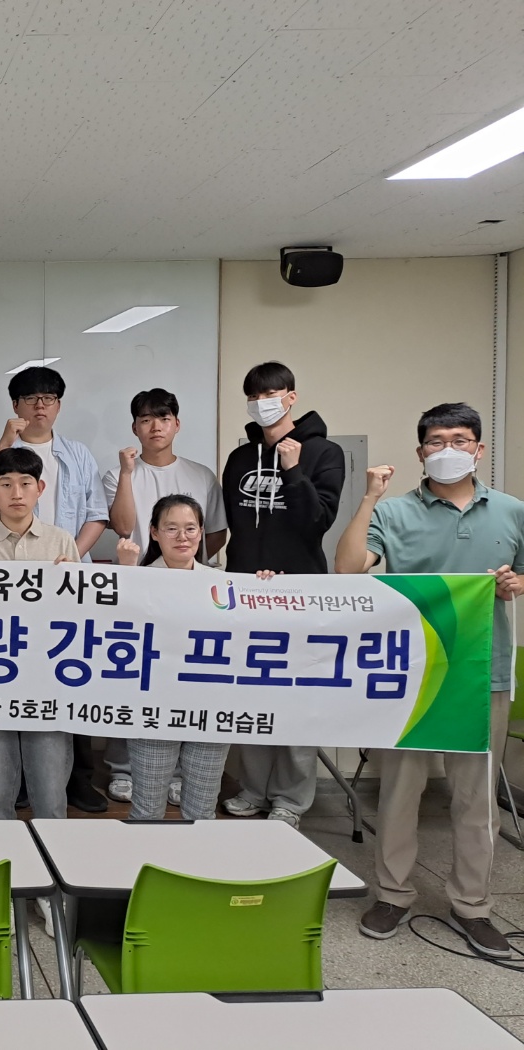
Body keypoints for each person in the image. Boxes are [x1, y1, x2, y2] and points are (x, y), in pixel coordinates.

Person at [335, 403, 524, 958]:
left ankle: (473, 906)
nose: (448, 450)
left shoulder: (511, 511)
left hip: (482, 674)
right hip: (411, 675)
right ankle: (393, 894)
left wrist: (516, 584)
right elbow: (347, 569)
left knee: (476, 799)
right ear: (421, 452)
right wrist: (368, 498)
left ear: (479, 449)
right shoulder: (394, 513)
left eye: (460, 440)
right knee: (399, 792)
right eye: (437, 441)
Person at [0, 365, 110, 813]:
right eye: (30, 398)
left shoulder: (77, 454)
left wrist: (67, 560)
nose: (39, 406)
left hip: (60, 577)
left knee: (58, 726)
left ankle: (70, 790)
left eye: (48, 398)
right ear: (15, 405)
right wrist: (5, 442)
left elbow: (96, 513)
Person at [0, 446, 77, 939]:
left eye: (26, 484)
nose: (16, 493)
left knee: (50, 798)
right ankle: (4, 890)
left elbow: (81, 614)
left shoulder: (62, 540)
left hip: (48, 687)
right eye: (5, 484)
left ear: (40, 489)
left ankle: (51, 892)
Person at [221, 362, 344, 829]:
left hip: (300, 596)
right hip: (246, 595)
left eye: (271, 394)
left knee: (297, 700)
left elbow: (318, 522)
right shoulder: (240, 458)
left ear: (291, 396)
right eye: (254, 396)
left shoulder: (324, 453)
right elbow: (238, 525)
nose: (262, 403)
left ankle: (291, 798)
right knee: (250, 697)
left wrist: (293, 471)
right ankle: (253, 789)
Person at [101, 388, 227, 807]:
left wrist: (191, 560)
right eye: (145, 419)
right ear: (135, 427)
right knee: (135, 671)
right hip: (139, 581)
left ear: (177, 424)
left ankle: (177, 774)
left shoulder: (201, 475)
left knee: (187, 669)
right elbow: (122, 526)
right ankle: (125, 770)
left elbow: (215, 533)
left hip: (192, 588)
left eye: (163, 418)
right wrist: (125, 473)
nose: (155, 426)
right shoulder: (119, 473)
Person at [113, 495, 272, 822]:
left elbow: (250, 634)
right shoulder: (138, 578)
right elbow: (115, 633)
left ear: (201, 532)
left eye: (190, 528)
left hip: (209, 707)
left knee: (201, 812)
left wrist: (265, 590)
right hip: (153, 708)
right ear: (154, 532)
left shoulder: (224, 584)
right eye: (171, 528)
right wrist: (126, 574)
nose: (182, 537)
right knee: (147, 811)